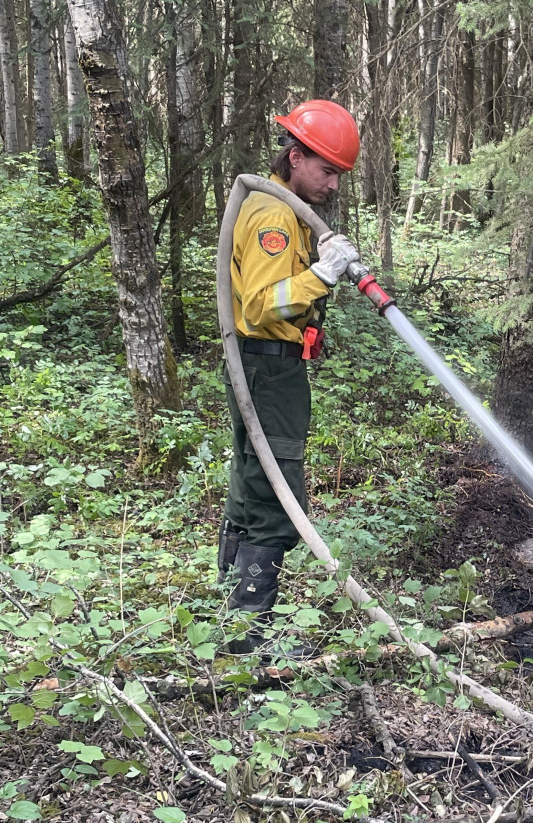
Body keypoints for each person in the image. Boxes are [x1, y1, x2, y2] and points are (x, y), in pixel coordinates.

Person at [218, 100, 361, 655]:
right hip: (268, 368)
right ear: (295, 157)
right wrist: (321, 276)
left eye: (339, 174)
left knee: (249, 490)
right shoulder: (275, 217)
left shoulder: (287, 211)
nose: (333, 184)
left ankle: (228, 624)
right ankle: (246, 641)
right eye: (326, 170)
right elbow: (260, 306)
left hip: (264, 366)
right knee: (275, 501)